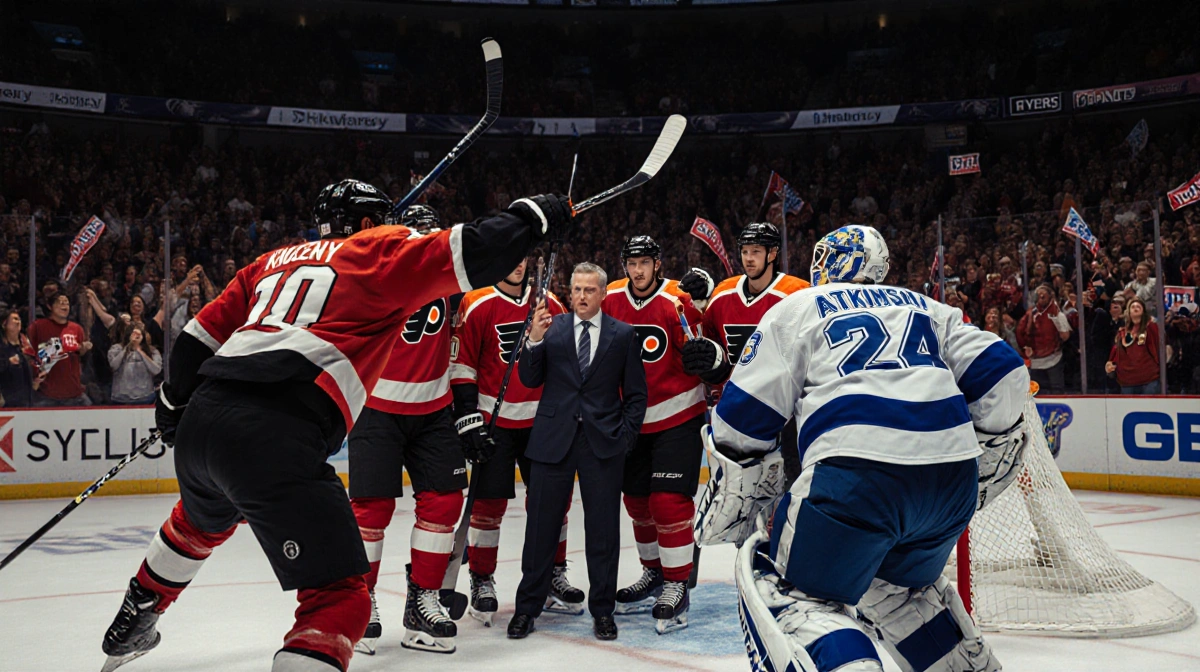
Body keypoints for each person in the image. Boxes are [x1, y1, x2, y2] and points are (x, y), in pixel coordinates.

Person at [99, 180, 570, 672]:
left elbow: (197, 338)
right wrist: (532, 216)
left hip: (206, 419)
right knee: (342, 599)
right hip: (278, 427)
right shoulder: (377, 249)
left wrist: (173, 403)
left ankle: (139, 609)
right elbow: (475, 248)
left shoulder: (276, 260)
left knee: (197, 520)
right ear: (367, 223)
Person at [699, 224, 1028, 672]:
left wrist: (735, 494)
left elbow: (742, 419)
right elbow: (1005, 373)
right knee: (899, 594)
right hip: (951, 485)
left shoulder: (800, 306)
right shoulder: (927, 306)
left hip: (855, 477)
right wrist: (980, 459)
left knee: (791, 593)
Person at [507, 262, 646, 642]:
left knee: (603, 533)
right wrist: (533, 340)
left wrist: (625, 437)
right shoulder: (550, 328)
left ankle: (603, 611)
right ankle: (527, 609)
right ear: (569, 293)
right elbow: (528, 379)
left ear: (603, 294)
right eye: (577, 290)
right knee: (540, 531)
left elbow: (636, 395)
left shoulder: (623, 335)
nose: (582, 296)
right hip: (554, 439)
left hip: (603, 444)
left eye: (589, 290)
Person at [449, 258, 581, 628]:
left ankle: (554, 572)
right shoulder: (475, 303)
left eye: (524, 257)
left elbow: (566, 362)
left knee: (554, 502)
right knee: (488, 507)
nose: (518, 265)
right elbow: (462, 366)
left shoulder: (550, 304)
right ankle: (482, 578)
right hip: (496, 422)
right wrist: (468, 417)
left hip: (541, 422)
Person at [600, 236, 705, 633]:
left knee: (667, 501)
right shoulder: (610, 299)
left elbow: (699, 354)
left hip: (678, 415)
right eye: (632, 262)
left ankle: (677, 584)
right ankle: (654, 572)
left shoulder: (678, 299)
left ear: (658, 264)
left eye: (645, 262)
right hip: (632, 421)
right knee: (637, 502)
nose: (638, 270)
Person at [679, 222, 811, 485]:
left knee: (791, 491)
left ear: (772, 254)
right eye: (745, 251)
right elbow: (710, 352)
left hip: (787, 413)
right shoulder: (722, 295)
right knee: (733, 496)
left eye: (756, 251)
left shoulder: (799, 294)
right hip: (737, 411)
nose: (749, 259)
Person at [28, 292, 93, 406]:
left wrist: (83, 348)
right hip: (46, 393)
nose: (65, 305)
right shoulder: (38, 326)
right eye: (60, 302)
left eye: (67, 303)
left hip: (74, 392)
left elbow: (80, 354)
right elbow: (30, 352)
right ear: (50, 306)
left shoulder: (76, 329)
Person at [1016, 285, 1071, 394]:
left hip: (1053, 360)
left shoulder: (1058, 315)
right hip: (1035, 361)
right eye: (1038, 295)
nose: (1040, 297)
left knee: (1057, 391)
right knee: (1035, 392)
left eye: (1043, 295)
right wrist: (1025, 348)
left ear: (1050, 297)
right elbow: (1020, 331)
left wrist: (1056, 320)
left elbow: (1065, 337)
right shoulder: (1030, 314)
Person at [1105, 298, 1161, 394]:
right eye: (1133, 307)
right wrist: (1111, 363)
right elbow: (1116, 353)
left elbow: (1159, 345)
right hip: (1127, 381)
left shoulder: (1151, 327)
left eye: (1138, 306)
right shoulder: (1121, 333)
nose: (1135, 308)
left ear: (1143, 311)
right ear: (1128, 312)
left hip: (1148, 379)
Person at [107, 324, 162, 405]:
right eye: (133, 334)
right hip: (121, 398)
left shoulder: (152, 351)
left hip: (145, 397)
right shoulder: (116, 349)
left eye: (138, 335)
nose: (136, 337)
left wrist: (139, 351)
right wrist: (128, 346)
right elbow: (113, 365)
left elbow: (156, 370)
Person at [0, 310, 40, 407]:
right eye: (15, 319)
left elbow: (32, 366)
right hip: (7, 402)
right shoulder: (2, 347)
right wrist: (8, 362)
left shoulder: (25, 345)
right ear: (4, 324)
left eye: (19, 319)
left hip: (27, 400)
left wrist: (35, 381)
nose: (18, 322)